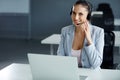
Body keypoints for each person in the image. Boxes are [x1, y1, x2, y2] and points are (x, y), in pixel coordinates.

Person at [57, 0, 104, 69]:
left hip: (90, 74)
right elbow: (60, 57)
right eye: (74, 13)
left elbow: (96, 64)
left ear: (88, 15)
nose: (75, 18)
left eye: (80, 14)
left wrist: (89, 40)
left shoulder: (98, 32)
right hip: (70, 72)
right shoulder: (65, 31)